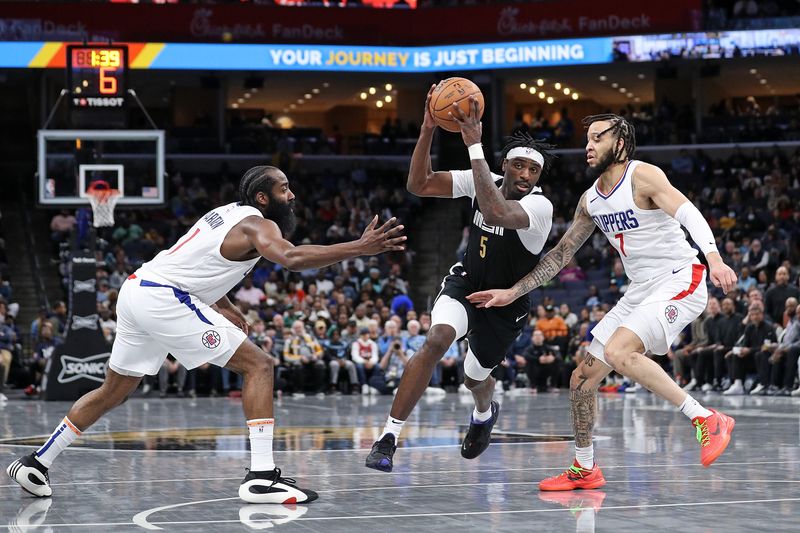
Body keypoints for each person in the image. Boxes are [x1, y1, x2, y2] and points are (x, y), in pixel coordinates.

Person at [7, 165, 405, 503]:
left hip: (137, 290)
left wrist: (227, 308)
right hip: (163, 298)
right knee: (260, 365)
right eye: (284, 188)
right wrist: (359, 247)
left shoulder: (224, 214)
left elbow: (197, 265)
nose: (293, 194)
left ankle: (37, 463)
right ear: (263, 198)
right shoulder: (257, 223)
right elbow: (292, 258)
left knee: (112, 391)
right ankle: (261, 477)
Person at [467, 114, 738, 491]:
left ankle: (706, 418)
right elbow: (560, 256)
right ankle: (584, 468)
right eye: (587, 139)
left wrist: (714, 258)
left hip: (680, 277)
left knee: (621, 351)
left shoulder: (644, 175)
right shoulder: (591, 200)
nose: (588, 146)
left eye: (598, 138)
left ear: (621, 144)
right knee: (580, 379)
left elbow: (688, 211)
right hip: (641, 290)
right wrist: (513, 292)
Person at [365, 88, 555, 472]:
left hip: (505, 302)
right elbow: (419, 184)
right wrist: (427, 130)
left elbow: (496, 211)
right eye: (519, 166)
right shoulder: (480, 178)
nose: (525, 175)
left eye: (533, 170)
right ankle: (388, 436)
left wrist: (474, 146)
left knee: (473, 377)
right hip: (466, 284)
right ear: (506, 165)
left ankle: (484, 414)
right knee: (436, 339)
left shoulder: (540, 206)